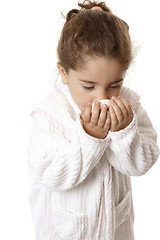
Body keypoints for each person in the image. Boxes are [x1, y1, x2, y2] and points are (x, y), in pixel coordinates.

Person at [27, 1, 159, 239]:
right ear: (64, 73)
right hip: (65, 231)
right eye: (88, 86)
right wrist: (90, 138)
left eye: (115, 84)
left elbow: (143, 163)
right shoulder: (50, 113)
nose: (103, 97)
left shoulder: (129, 105)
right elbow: (50, 174)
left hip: (116, 229)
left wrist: (125, 132)